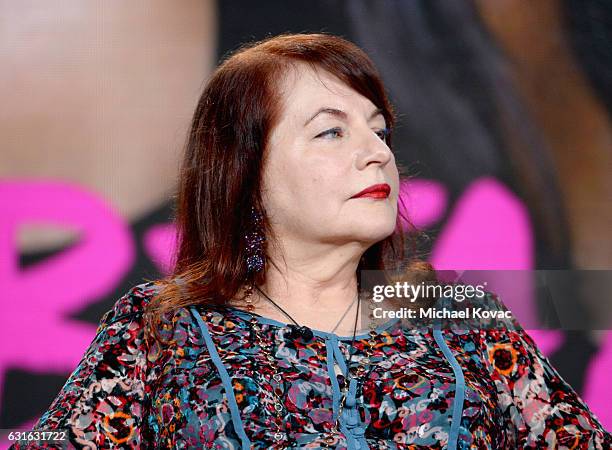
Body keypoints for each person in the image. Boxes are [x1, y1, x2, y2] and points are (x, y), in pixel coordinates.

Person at [13, 33, 610, 449]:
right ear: (247, 174)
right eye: (331, 131)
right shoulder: (163, 325)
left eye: (380, 132)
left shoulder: (454, 313)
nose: (377, 152)